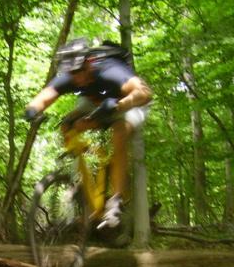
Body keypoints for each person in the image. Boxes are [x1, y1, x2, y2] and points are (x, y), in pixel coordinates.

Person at [24, 38, 152, 228]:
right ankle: (94, 169)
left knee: (119, 131)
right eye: (71, 73)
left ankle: (115, 201)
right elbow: (44, 96)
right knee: (68, 126)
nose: (76, 78)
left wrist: (119, 105)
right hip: (97, 103)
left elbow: (144, 93)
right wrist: (31, 111)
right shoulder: (71, 75)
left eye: (78, 72)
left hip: (129, 101)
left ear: (89, 63)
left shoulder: (109, 70)